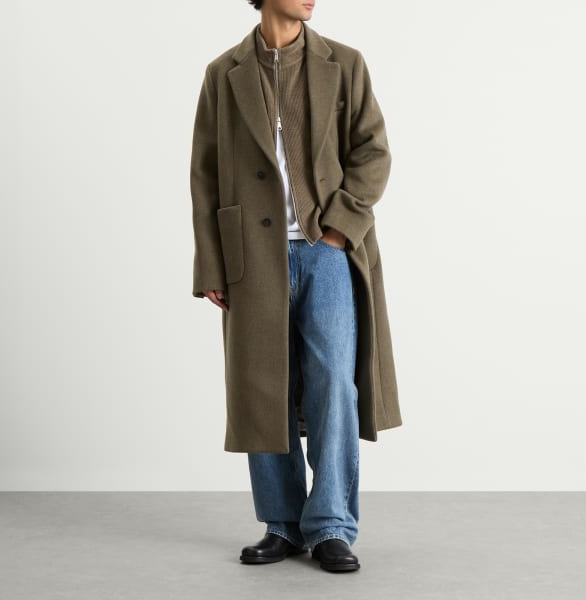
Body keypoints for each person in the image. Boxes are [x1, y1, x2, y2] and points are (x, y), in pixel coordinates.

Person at [190, 0, 402, 573]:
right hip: (250, 256)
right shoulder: (223, 73)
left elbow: (373, 152)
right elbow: (204, 173)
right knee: (264, 387)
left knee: (334, 383)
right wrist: (211, 265)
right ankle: (282, 523)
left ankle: (331, 524)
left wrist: (338, 229)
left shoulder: (345, 64)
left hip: (326, 250)